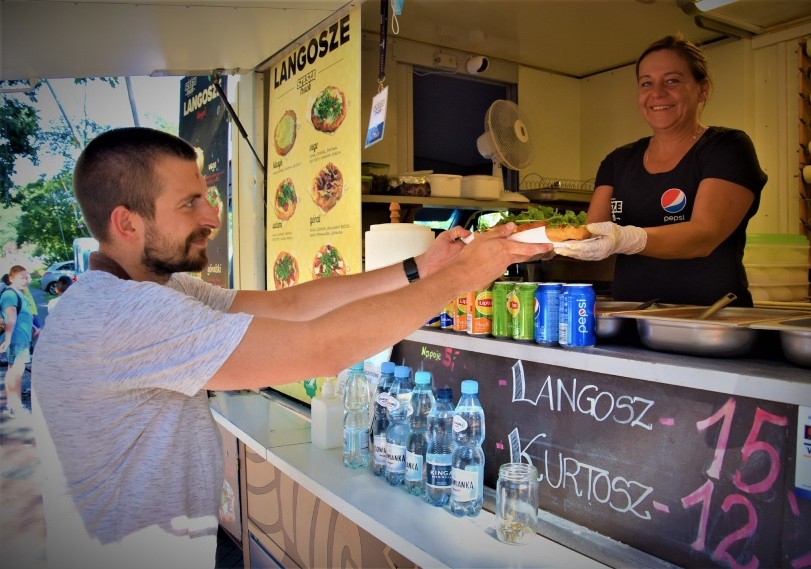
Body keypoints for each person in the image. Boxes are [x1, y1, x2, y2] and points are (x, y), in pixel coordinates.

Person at [31, 126, 552, 568]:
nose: (212, 217)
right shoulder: (124, 314)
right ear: (127, 223)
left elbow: (293, 305)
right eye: (190, 203)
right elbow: (318, 347)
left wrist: (421, 269)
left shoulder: (155, 289)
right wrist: (460, 278)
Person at [560, 33, 767, 307]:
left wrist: (626, 238)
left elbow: (704, 236)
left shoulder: (727, 148)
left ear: (702, 89)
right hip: (632, 316)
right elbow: (592, 236)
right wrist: (543, 245)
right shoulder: (618, 160)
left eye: (672, 81)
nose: (657, 93)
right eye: (646, 83)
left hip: (710, 319)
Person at [1, 265, 36, 418]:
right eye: (22, 278)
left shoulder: (18, 293)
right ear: (11, 278)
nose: (25, 281)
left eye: (26, 277)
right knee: (17, 372)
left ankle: (12, 405)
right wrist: (8, 339)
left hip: (19, 338)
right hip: (16, 340)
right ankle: (16, 406)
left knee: (13, 371)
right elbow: (11, 318)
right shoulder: (10, 294)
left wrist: (33, 327)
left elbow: (23, 315)